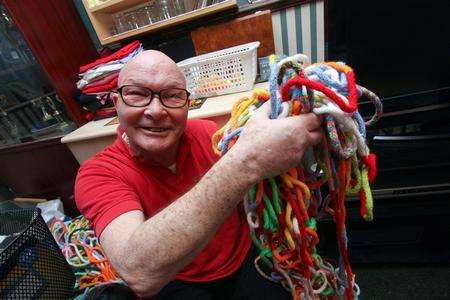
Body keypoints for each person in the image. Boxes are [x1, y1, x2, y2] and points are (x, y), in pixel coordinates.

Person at [75, 50, 322, 299]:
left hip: (248, 258)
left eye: (172, 96)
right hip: (178, 280)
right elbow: (138, 271)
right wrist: (247, 160)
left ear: (187, 104)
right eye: (137, 94)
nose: (156, 110)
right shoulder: (98, 174)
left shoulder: (207, 133)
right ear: (116, 103)